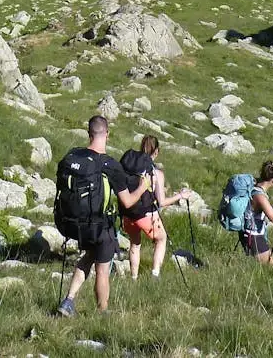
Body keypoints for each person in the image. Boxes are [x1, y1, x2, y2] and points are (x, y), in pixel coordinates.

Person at [57, 115, 153, 317]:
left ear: (88, 133)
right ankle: (102, 312)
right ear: (107, 134)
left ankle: (68, 301)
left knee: (89, 256)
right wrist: (143, 187)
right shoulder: (110, 165)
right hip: (100, 226)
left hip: (75, 222)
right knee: (102, 268)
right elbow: (127, 201)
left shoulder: (75, 156)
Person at [120, 134, 193, 279]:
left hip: (128, 213)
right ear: (157, 151)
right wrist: (181, 196)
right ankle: (155, 274)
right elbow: (162, 202)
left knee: (135, 243)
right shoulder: (156, 173)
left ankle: (134, 278)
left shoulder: (130, 166)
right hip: (146, 215)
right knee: (161, 239)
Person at [241, 160, 273, 266]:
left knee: (261, 268)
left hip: (247, 233)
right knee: (271, 270)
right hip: (254, 236)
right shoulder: (260, 196)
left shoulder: (253, 187)